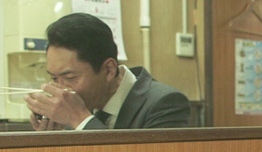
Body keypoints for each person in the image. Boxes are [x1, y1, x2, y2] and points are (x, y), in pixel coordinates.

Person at [24, 13, 190, 130]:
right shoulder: (77, 104)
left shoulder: (164, 103)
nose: (60, 90)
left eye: (69, 77)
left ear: (109, 70)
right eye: (53, 78)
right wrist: (53, 138)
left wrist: (79, 120)